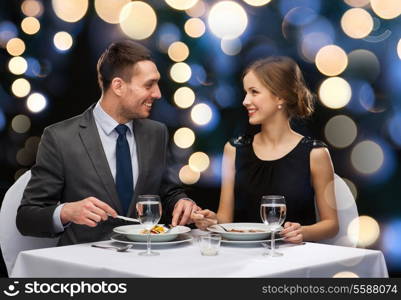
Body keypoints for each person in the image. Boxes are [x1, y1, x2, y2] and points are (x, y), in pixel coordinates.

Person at [16, 40, 199, 245]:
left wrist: (182, 201)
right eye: (149, 85)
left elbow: (167, 190)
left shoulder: (156, 132)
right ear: (118, 86)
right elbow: (26, 218)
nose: (158, 93)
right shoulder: (60, 137)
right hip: (85, 266)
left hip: (146, 260)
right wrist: (66, 212)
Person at [192, 56, 339, 243]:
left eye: (254, 92)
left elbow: (331, 224)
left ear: (281, 97)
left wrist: (303, 231)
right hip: (244, 256)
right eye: (246, 92)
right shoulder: (234, 149)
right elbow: (225, 219)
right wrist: (211, 220)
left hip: (294, 259)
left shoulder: (315, 154)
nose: (245, 101)